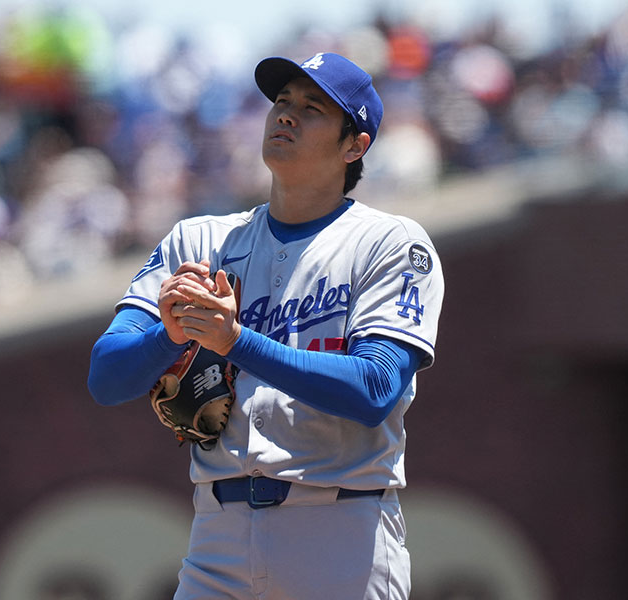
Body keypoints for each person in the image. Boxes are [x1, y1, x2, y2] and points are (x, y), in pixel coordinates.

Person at [87, 52, 444, 600]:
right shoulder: (198, 241)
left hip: (342, 533)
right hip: (218, 534)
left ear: (355, 146)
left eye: (313, 108)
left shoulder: (390, 243)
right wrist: (169, 334)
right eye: (281, 101)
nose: (286, 114)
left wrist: (234, 341)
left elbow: (375, 388)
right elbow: (106, 377)